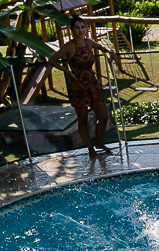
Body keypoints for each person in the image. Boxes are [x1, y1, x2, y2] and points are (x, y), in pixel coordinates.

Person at [47, 14, 120, 159]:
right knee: (83, 120)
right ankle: (90, 147)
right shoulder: (69, 46)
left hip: (92, 85)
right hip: (78, 87)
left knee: (103, 116)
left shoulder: (89, 42)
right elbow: (52, 60)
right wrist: (67, 71)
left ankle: (98, 143)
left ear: (86, 29)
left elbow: (101, 46)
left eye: (82, 27)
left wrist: (111, 52)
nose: (80, 30)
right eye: (77, 28)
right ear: (72, 30)